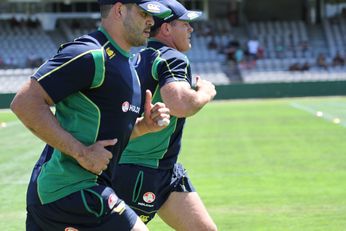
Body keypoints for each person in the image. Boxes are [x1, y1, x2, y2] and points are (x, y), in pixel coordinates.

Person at [10, 1, 172, 231]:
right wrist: (82, 153)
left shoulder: (126, 65)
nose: (151, 21)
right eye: (143, 13)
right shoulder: (90, 53)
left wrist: (144, 126)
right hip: (70, 189)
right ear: (119, 10)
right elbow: (25, 102)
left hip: (70, 192)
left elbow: (108, 136)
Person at [112, 1, 217, 230]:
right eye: (185, 23)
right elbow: (181, 104)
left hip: (163, 169)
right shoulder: (172, 57)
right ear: (167, 29)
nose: (191, 29)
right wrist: (206, 92)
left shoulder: (136, 56)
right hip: (141, 168)